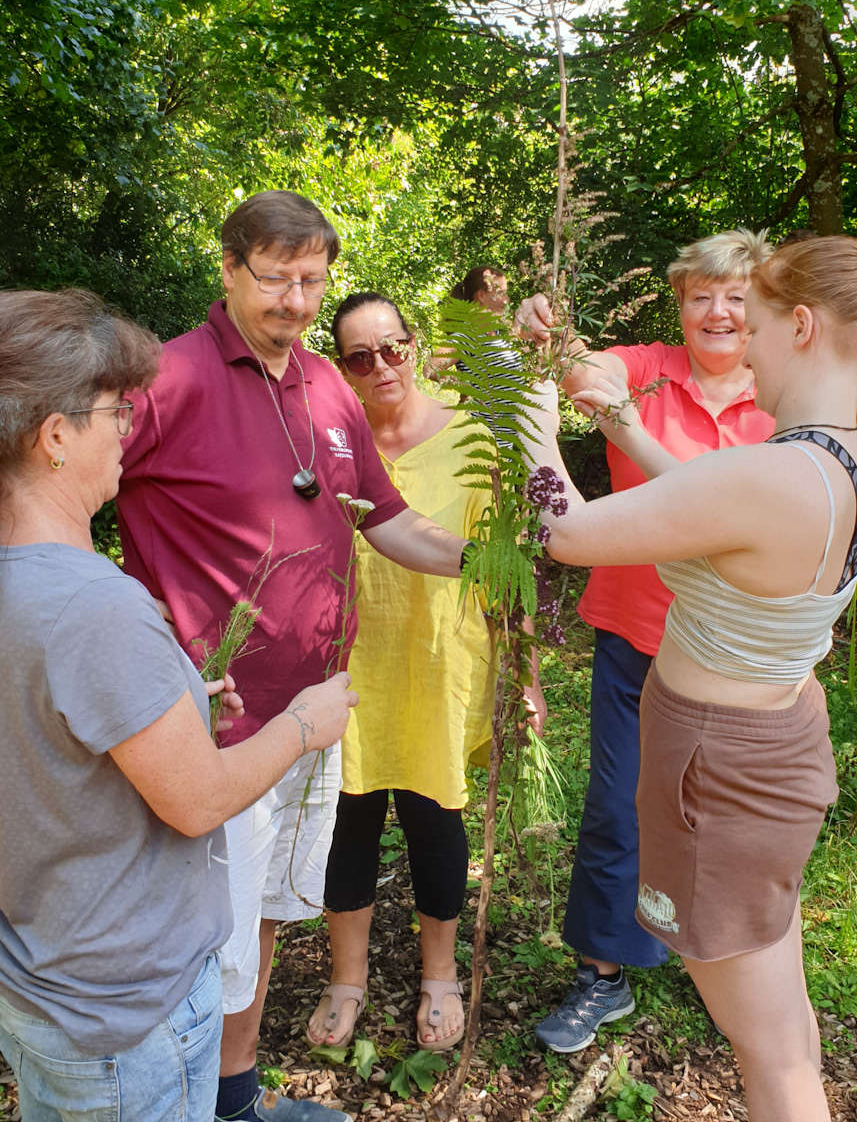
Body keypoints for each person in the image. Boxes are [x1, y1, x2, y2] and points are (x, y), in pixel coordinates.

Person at [115, 191, 472, 1122]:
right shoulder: (166, 377)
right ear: (228, 268)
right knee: (207, 936)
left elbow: (387, 519)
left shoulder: (325, 385)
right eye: (275, 277)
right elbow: (59, 491)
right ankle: (182, 1104)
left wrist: (494, 559)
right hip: (214, 726)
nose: (296, 299)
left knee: (266, 915)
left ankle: (233, 1097)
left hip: (316, 714)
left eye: (312, 279)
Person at [521, 234, 857, 1122]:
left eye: (754, 322)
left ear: (800, 326)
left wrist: (531, 427)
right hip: (770, 756)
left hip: (720, 782)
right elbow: (716, 504)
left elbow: (568, 533)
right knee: (782, 1041)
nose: (738, 342)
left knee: (776, 1066)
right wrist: (626, 426)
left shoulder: (774, 473)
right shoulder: (824, 460)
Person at [0, 289, 356, 1122]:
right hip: (129, 1010)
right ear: (55, 438)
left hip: (43, 977)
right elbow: (196, 800)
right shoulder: (99, 605)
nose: (129, 427)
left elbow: (48, 740)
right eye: (114, 412)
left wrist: (173, 707)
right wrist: (304, 725)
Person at [515, 230, 776, 1052]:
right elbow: (584, 373)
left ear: (762, 308)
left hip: (736, 655)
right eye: (701, 294)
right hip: (637, 640)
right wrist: (548, 339)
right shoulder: (647, 366)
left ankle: (727, 960)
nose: (718, 311)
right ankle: (604, 974)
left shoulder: (784, 396)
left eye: (735, 296)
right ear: (679, 303)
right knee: (618, 806)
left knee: (728, 820)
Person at [303, 292, 546, 1053]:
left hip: (441, 662)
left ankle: (438, 974)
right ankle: (347, 978)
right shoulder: (322, 441)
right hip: (346, 665)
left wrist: (528, 673)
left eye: (392, 347)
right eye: (358, 356)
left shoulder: (472, 439)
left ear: (415, 344)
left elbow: (504, 567)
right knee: (347, 826)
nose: (380, 367)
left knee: (434, 823)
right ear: (338, 366)